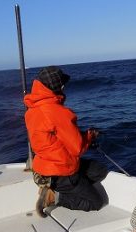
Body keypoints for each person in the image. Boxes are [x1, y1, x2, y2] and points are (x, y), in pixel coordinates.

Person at [24, 66, 108, 216]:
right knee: (96, 202)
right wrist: (90, 136)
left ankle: (62, 187)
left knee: (99, 171)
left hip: (44, 167)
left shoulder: (32, 109)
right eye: (63, 84)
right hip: (61, 172)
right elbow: (78, 148)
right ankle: (54, 197)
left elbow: (56, 139)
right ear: (60, 86)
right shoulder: (58, 112)